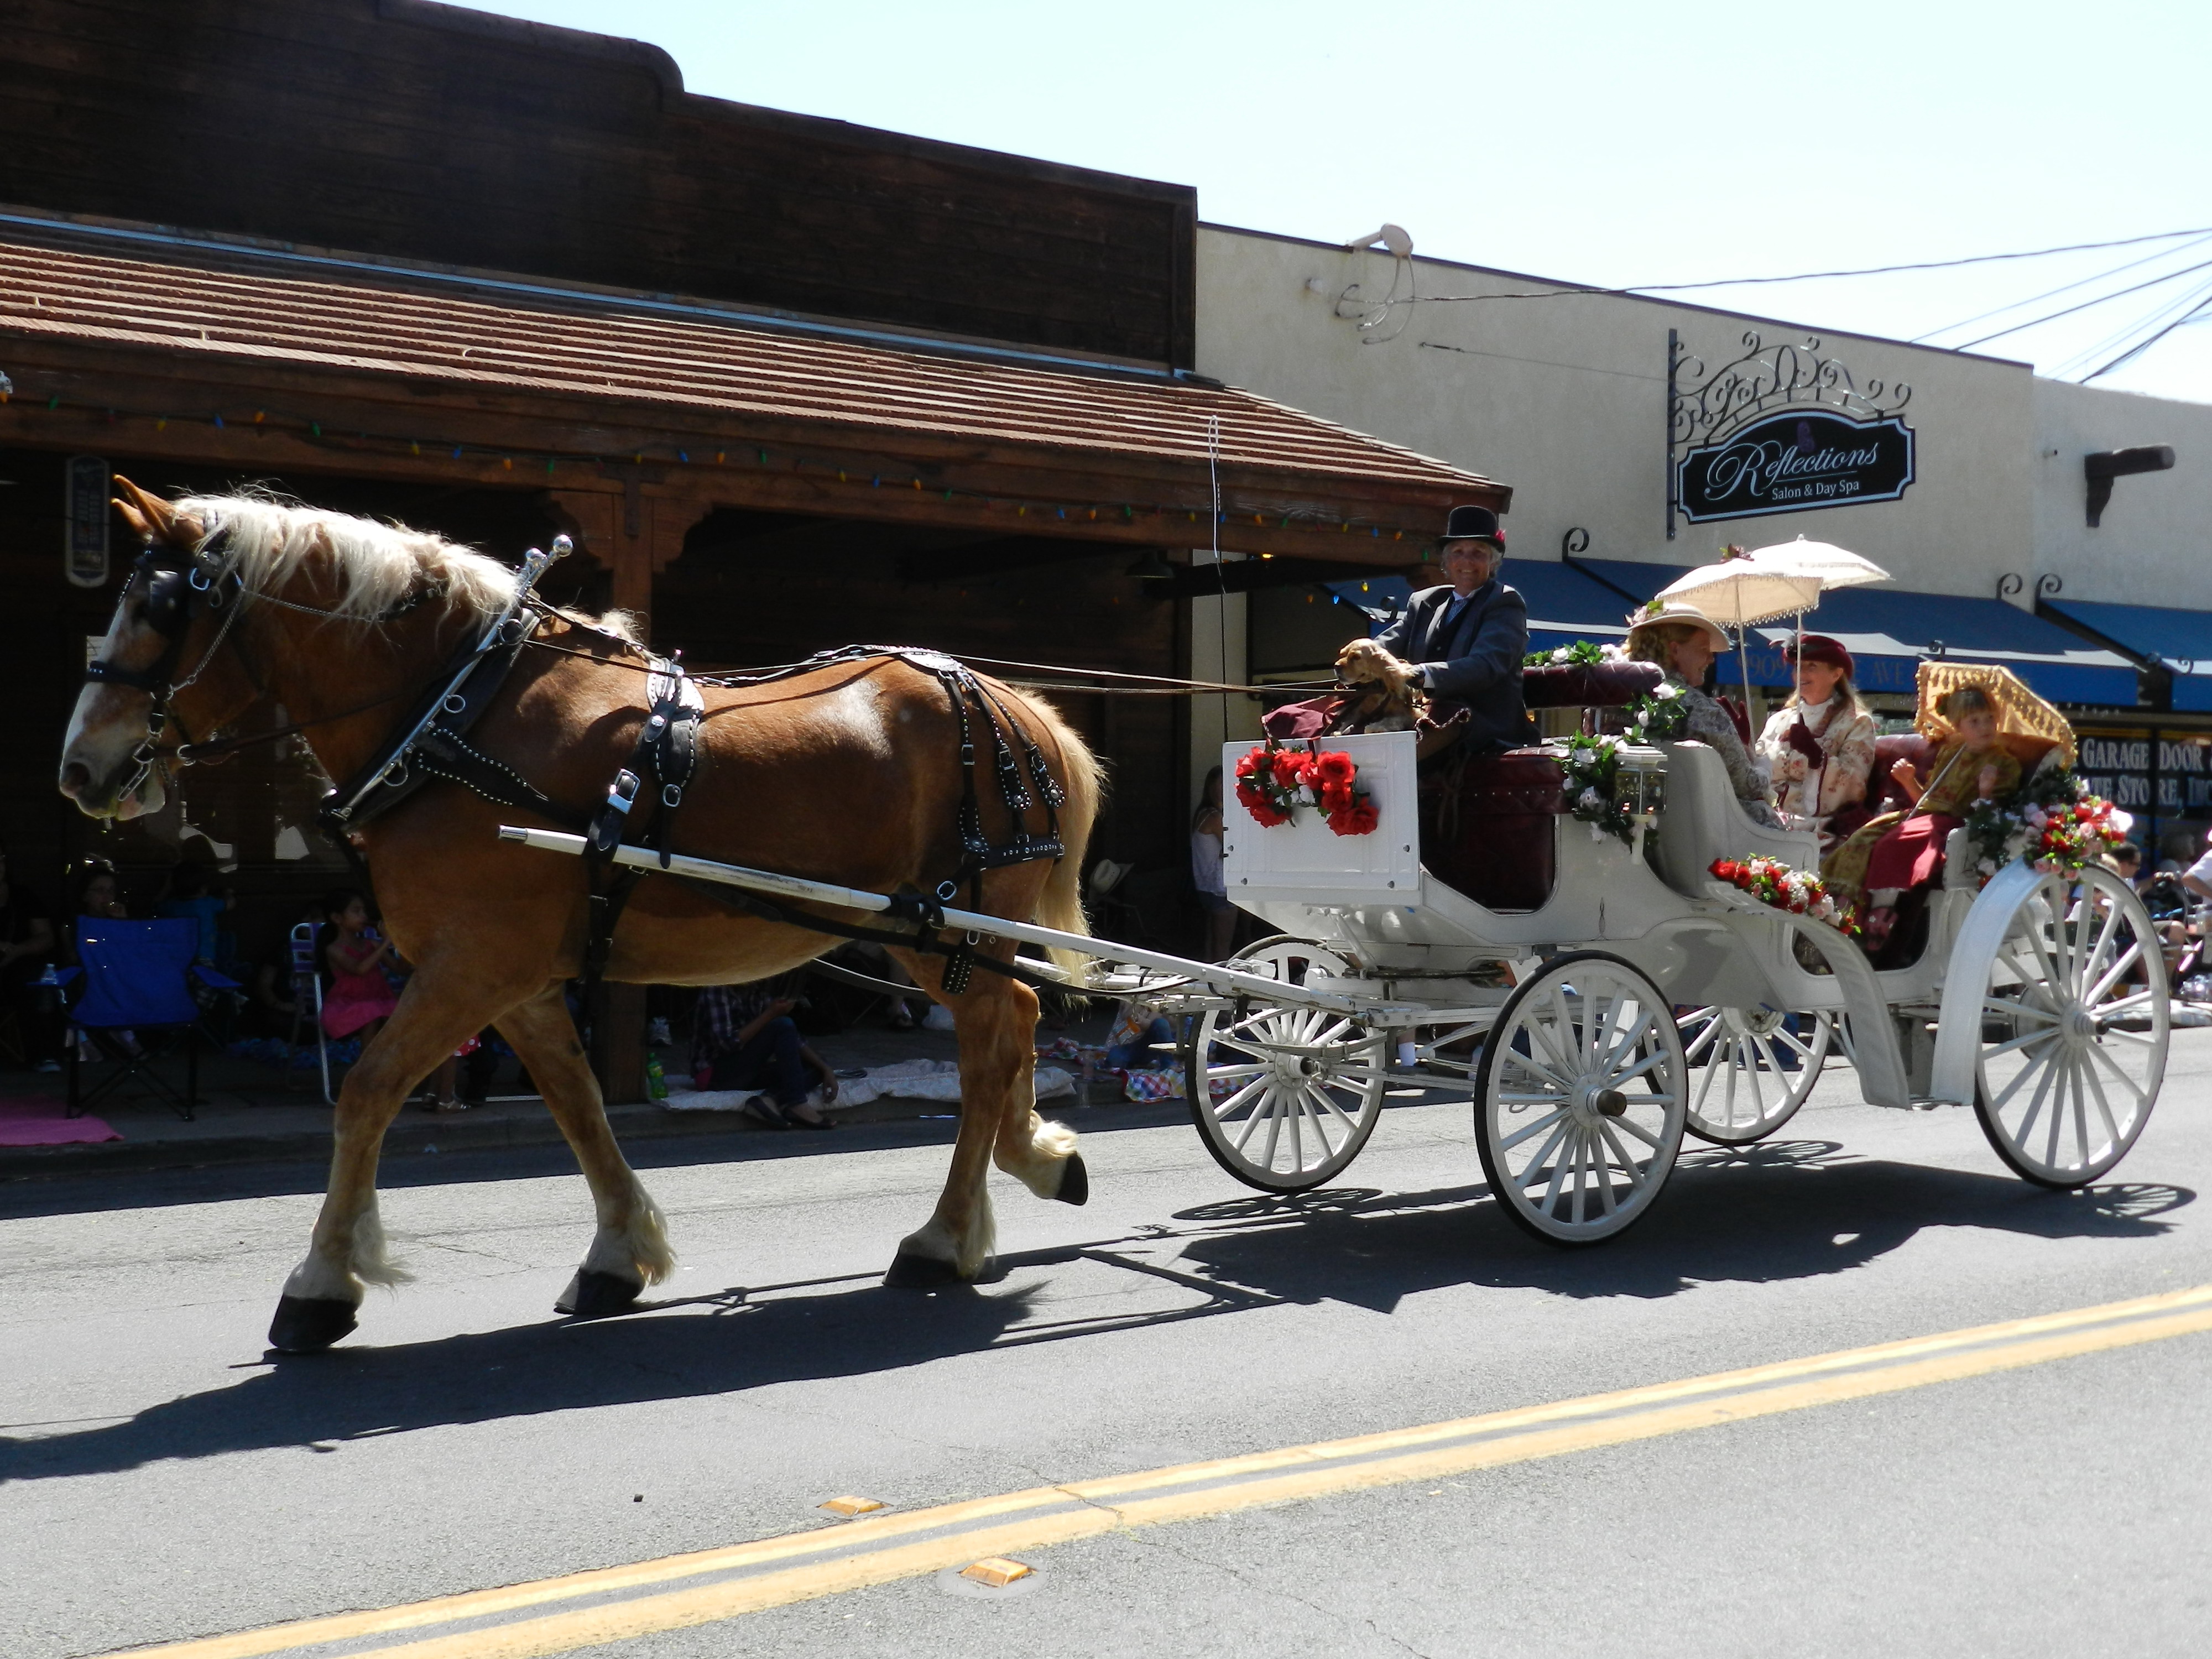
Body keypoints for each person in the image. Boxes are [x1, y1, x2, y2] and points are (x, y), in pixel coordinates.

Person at [1826, 685, 2022, 948]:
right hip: (1925, 816)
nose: (1985, 726)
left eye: (1989, 719)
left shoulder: (2004, 763)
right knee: (1863, 838)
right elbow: (1927, 800)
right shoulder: (1952, 753)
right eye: (1974, 721)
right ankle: (1845, 909)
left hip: (1957, 825)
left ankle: (1882, 915)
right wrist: (1908, 781)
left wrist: (1986, 791)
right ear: (1958, 726)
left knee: (1895, 843)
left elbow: (1989, 815)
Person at [1370, 504, 1531, 755]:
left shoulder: (1504, 602)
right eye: (1458, 552)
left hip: (1480, 722)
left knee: (1393, 757)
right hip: (1422, 712)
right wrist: (1362, 656)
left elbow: (1486, 665)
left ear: (1493, 562)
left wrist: (1421, 673)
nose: (1467, 561)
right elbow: (1387, 644)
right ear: (1446, 561)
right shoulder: (1425, 601)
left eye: (1478, 552)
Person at [1624, 600, 1782, 829]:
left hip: (1637, 829)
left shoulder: (1613, 702)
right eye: (1703, 650)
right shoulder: (1702, 710)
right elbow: (1748, 785)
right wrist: (1763, 765)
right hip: (1702, 831)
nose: (1711, 659)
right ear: (1675, 649)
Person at [1755, 634, 1880, 848]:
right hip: (1768, 818)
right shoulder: (1780, 720)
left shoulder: (1857, 723)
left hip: (1819, 826)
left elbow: (1855, 786)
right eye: (1797, 666)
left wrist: (1816, 757)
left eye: (1811, 666)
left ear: (1836, 674)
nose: (1801, 674)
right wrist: (1745, 749)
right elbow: (1757, 774)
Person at [690, 980, 838, 1129]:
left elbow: (795, 1040)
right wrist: (770, 1014)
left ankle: (768, 1099)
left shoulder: (756, 990)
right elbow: (728, 1044)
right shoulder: (716, 990)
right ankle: (795, 1102)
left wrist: (826, 1069)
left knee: (816, 1066)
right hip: (715, 1074)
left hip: (747, 1070)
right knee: (782, 1025)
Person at [0, 839, 60, 1071]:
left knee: (40, 979)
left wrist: (17, 951)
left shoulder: (22, 896)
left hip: (16, 968)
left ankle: (45, 1054)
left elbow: (46, 937)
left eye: (1, 859)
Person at [317, 889, 400, 1049]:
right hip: (347, 1007)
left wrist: (404, 946)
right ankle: (369, 1067)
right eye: (357, 911)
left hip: (379, 1000)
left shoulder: (371, 944)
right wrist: (386, 943)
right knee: (372, 1012)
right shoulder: (334, 949)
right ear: (337, 918)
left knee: (398, 1011)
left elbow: (400, 969)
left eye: (364, 911)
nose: (364, 917)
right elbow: (359, 970)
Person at [1191, 765, 1236, 962]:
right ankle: (1221, 986)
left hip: (1205, 886)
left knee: (1212, 941)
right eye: (1221, 783)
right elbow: (1233, 846)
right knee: (1223, 945)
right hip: (1219, 888)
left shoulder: (1204, 813)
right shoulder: (1215, 817)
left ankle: (1207, 982)